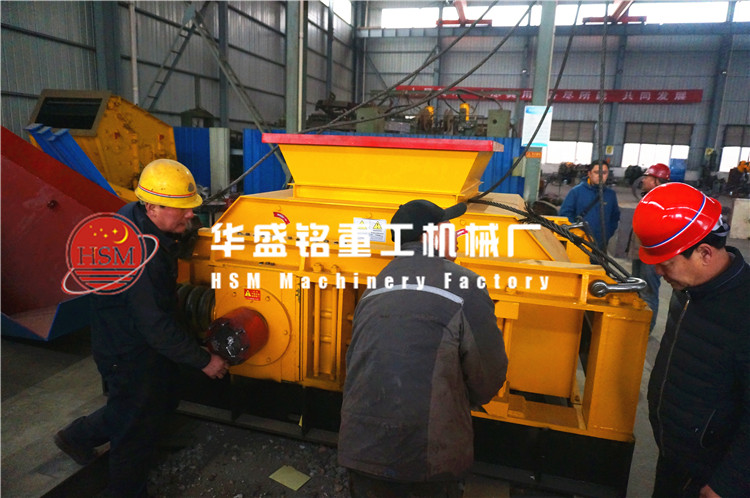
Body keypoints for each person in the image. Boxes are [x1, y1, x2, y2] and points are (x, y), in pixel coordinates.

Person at [53, 159, 229, 497]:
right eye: (182, 209)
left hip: (139, 337)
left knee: (159, 397)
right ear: (152, 207)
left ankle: (76, 437)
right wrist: (204, 360)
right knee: (134, 425)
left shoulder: (136, 216)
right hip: (127, 349)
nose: (191, 214)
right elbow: (154, 325)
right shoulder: (138, 255)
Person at [338, 199, 508, 497]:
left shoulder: (376, 285)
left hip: (361, 451)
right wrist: (457, 402)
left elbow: (356, 362)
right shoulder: (465, 284)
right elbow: (489, 376)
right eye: (448, 228)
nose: (456, 234)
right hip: (425, 461)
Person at [632, 183, 749, 498]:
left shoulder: (744, 310)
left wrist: (729, 483)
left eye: (667, 263)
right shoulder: (689, 290)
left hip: (710, 478)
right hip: (674, 457)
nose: (659, 272)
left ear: (704, 253)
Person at [627, 163, 670, 332]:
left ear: (656, 181)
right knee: (636, 289)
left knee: (648, 292)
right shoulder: (649, 198)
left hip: (652, 255)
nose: (643, 180)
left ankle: (645, 331)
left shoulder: (663, 202)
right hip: (640, 250)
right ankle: (637, 325)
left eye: (647, 177)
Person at [559, 161, 621, 250]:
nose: (600, 176)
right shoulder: (576, 192)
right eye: (596, 172)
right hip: (579, 244)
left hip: (601, 245)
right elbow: (565, 215)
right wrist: (577, 235)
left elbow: (614, 217)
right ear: (589, 174)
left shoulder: (610, 195)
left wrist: (607, 234)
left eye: (604, 173)